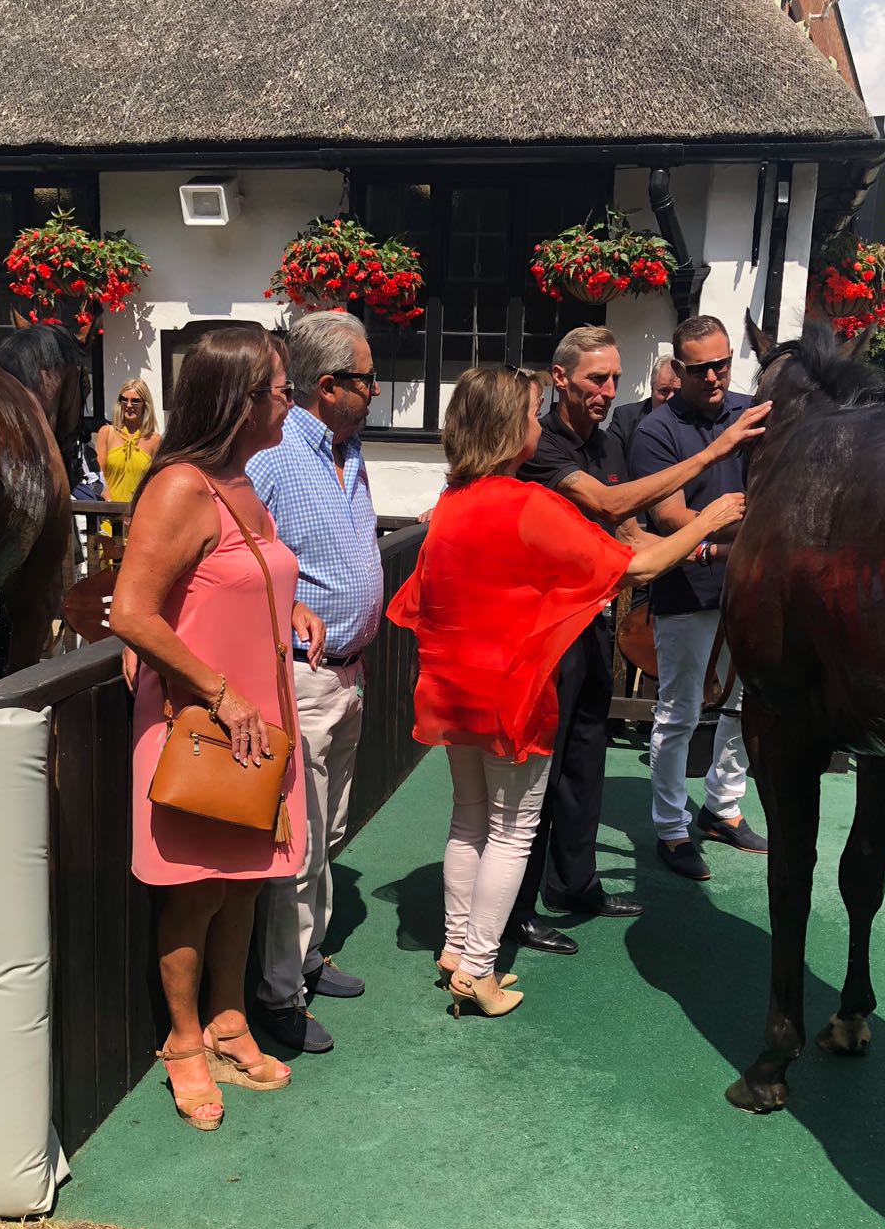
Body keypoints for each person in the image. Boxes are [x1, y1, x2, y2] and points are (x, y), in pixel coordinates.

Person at [388, 365, 745, 1015]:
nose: (538, 423)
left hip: (454, 682)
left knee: (469, 818)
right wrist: (711, 518)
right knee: (512, 829)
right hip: (514, 689)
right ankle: (479, 970)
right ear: (508, 429)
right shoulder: (529, 503)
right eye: (530, 414)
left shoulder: (452, 503)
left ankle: (457, 949)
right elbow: (641, 565)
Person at [110, 325, 326, 1132]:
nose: (291, 402)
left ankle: (229, 1020)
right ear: (240, 399)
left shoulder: (240, 481)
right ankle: (183, 1039)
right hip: (204, 722)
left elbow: (243, 572)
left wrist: (290, 606)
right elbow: (132, 613)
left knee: (242, 881)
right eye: (281, 390)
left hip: (252, 720)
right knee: (198, 888)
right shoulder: (180, 486)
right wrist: (221, 692)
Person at [506, 326, 768, 953]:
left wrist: (707, 550)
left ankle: (574, 885)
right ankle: (515, 909)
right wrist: (713, 471)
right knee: (537, 778)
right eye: (597, 379)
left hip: (591, 623)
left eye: (615, 379)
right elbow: (609, 503)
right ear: (560, 378)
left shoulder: (605, 442)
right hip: (544, 634)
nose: (608, 390)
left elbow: (632, 539)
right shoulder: (543, 446)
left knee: (584, 763)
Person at [246, 312, 384, 1054]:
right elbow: (236, 558)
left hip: (346, 675)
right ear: (328, 386)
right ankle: (277, 995)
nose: (376, 390)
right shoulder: (272, 457)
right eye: (367, 379)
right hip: (298, 677)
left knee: (327, 832)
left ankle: (305, 957)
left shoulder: (349, 450)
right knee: (296, 845)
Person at [628, 314, 770, 881]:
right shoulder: (656, 430)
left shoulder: (754, 412)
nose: (713, 376)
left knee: (743, 705)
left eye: (722, 363)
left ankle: (722, 808)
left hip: (749, 587)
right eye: (699, 368)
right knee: (680, 711)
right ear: (678, 369)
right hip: (687, 587)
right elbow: (669, 517)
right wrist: (756, 530)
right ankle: (671, 827)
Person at [608, 354, 681, 470]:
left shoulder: (697, 420)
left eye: (677, 392)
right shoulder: (625, 418)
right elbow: (609, 461)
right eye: (664, 391)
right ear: (652, 390)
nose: (670, 398)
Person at [97, 380, 161, 509]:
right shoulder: (106, 433)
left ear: (145, 405)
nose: (129, 405)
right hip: (108, 512)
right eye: (124, 400)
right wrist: (111, 506)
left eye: (135, 401)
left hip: (139, 512)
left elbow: (155, 484)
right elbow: (99, 477)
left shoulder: (155, 441)